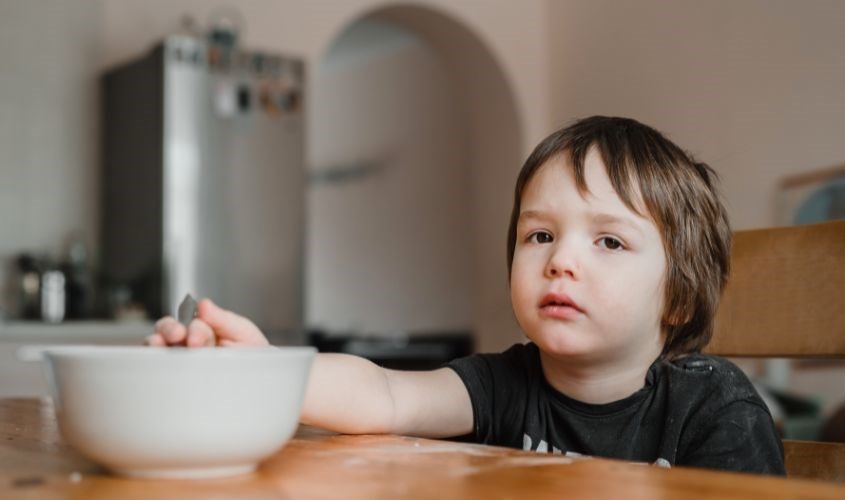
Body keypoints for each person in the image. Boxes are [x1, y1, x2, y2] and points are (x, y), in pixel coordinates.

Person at [148, 116, 785, 475]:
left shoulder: (714, 408)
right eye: (539, 234)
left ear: (678, 296)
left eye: (609, 243)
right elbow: (384, 394)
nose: (560, 260)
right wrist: (265, 371)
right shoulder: (507, 383)